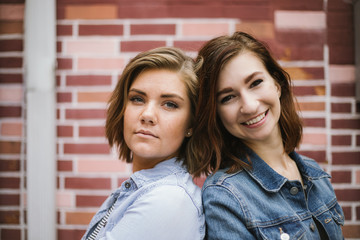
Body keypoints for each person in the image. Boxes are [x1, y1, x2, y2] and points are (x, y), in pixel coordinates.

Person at [189, 32, 344, 239]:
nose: (250, 106)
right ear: (215, 113)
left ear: (277, 84)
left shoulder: (315, 173)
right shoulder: (225, 196)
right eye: (228, 97)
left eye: (255, 83)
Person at [82, 47, 205, 240]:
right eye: (137, 99)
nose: (147, 115)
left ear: (191, 123)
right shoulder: (142, 189)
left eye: (169, 104)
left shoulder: (168, 200)